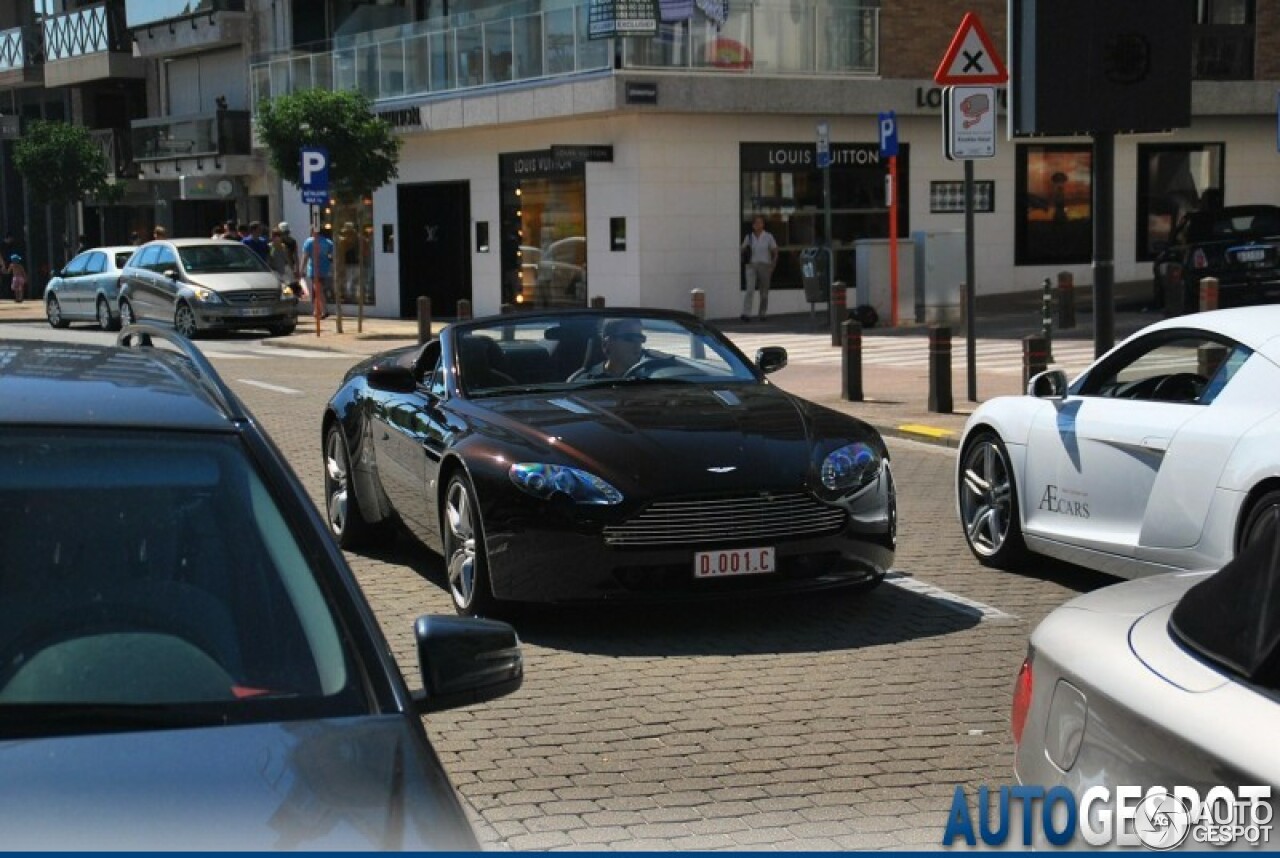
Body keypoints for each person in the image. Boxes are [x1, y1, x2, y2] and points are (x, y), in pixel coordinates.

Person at [570, 318, 647, 380]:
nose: (638, 346)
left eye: (641, 338)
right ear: (606, 344)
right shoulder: (586, 382)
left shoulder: (649, 376)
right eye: (630, 338)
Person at [739, 216, 778, 322]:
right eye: (756, 223)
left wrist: (773, 264)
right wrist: (744, 251)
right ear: (753, 225)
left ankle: (762, 313)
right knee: (750, 289)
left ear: (763, 224)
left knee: (764, 291)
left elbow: (775, 250)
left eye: (760, 223)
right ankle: (746, 313)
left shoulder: (768, 236)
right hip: (751, 265)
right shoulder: (749, 237)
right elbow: (742, 249)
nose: (758, 225)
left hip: (765, 265)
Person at [301, 227, 334, 316]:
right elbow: (332, 256)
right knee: (318, 289)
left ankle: (324, 310)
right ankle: (316, 311)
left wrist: (301, 269)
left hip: (314, 269)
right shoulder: (328, 242)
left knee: (318, 289)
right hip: (325, 269)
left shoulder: (309, 241)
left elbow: (305, 257)